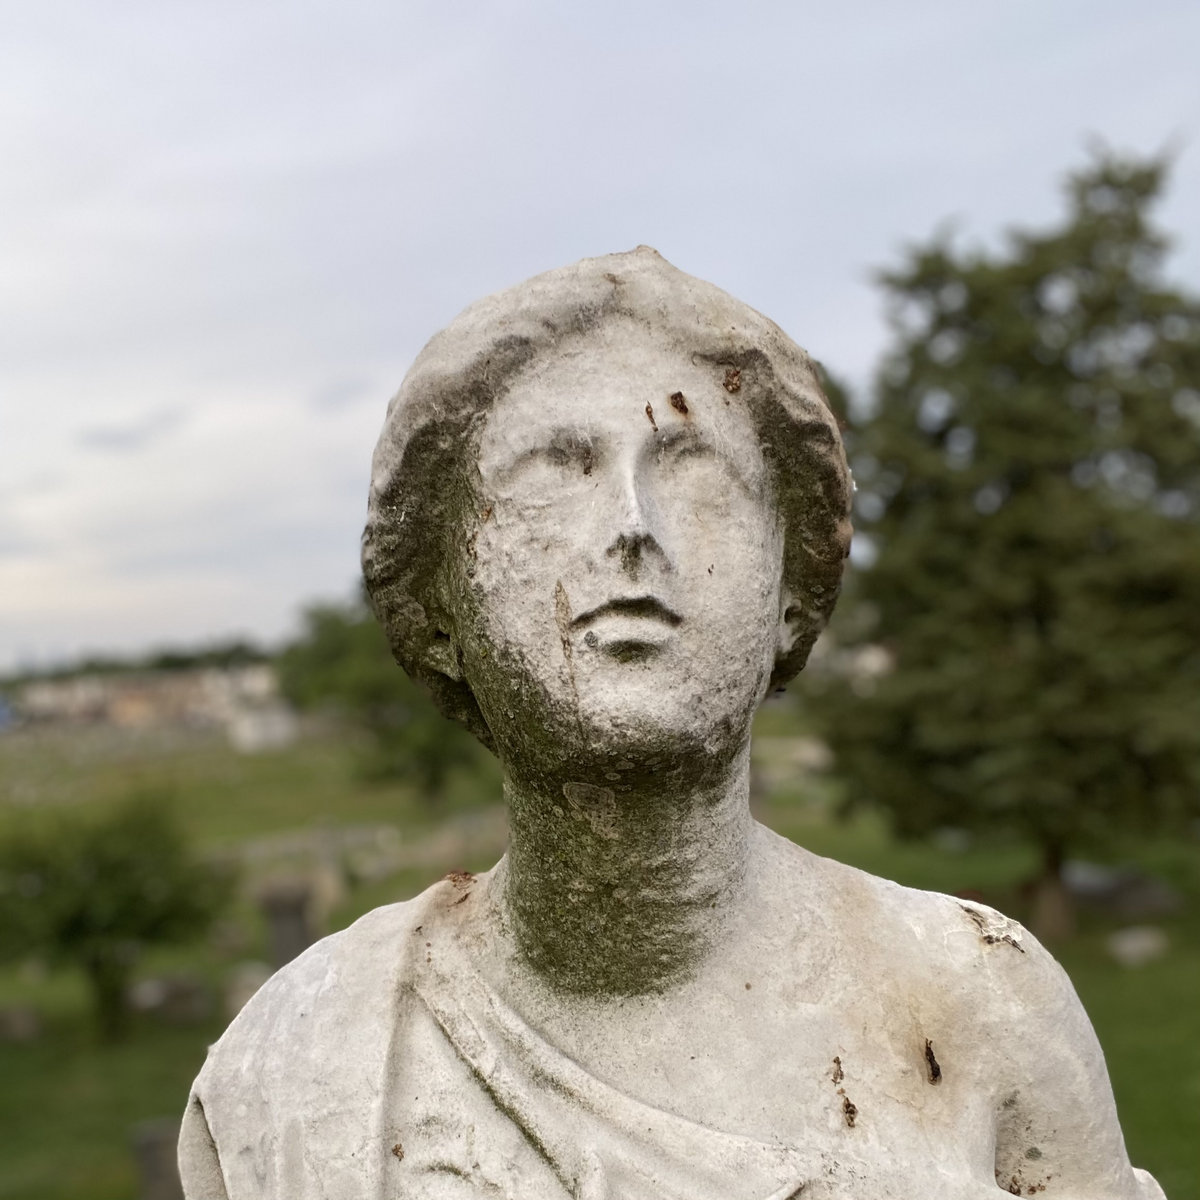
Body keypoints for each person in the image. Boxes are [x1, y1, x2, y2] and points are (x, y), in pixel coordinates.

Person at [179, 248, 1165, 1199]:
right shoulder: (298, 1065)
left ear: (792, 594)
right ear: (440, 611)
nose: (632, 524)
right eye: (553, 472)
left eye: (697, 475)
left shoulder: (980, 1002)